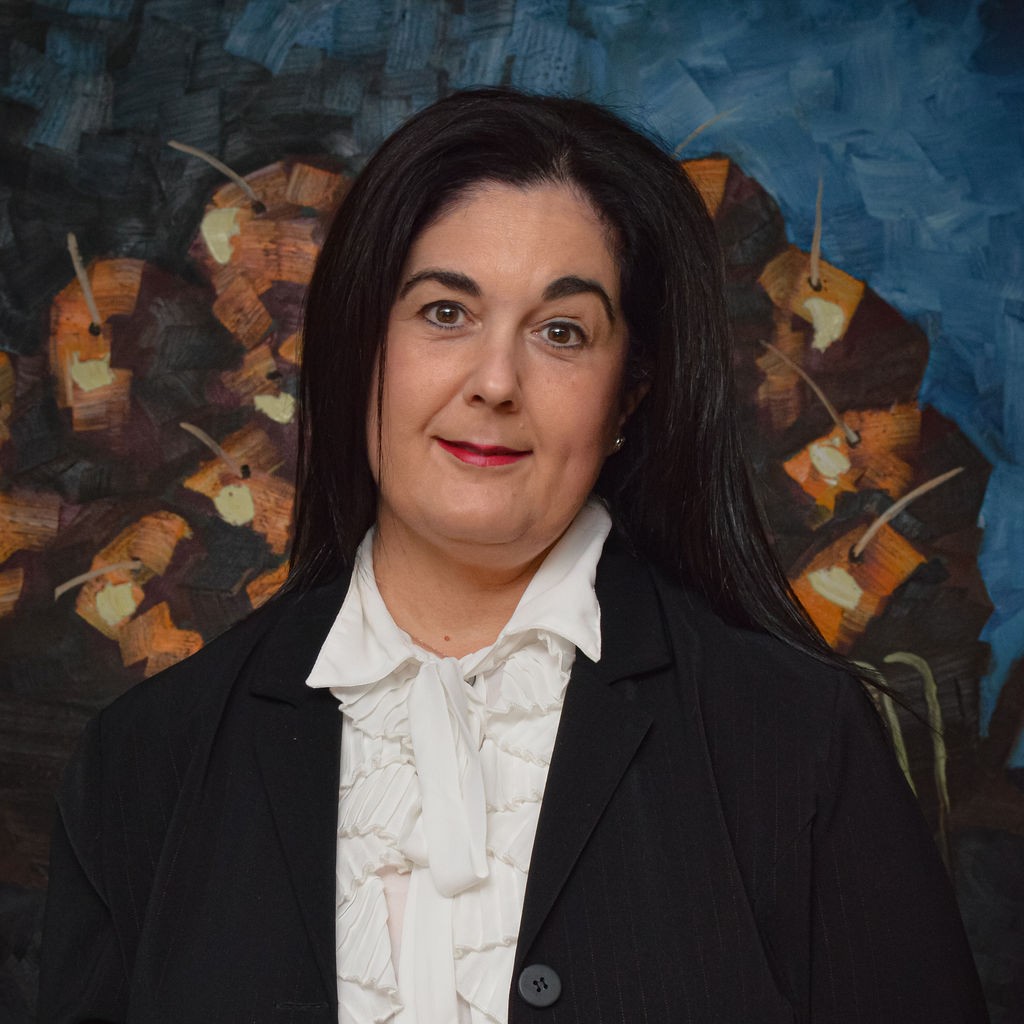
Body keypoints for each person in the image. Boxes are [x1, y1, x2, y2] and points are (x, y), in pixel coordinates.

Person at [39, 88, 987, 1023]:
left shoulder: (795, 740)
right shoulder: (146, 761)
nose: (495, 382)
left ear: (628, 394)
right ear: (360, 343)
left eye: (561, 332)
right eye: (445, 313)